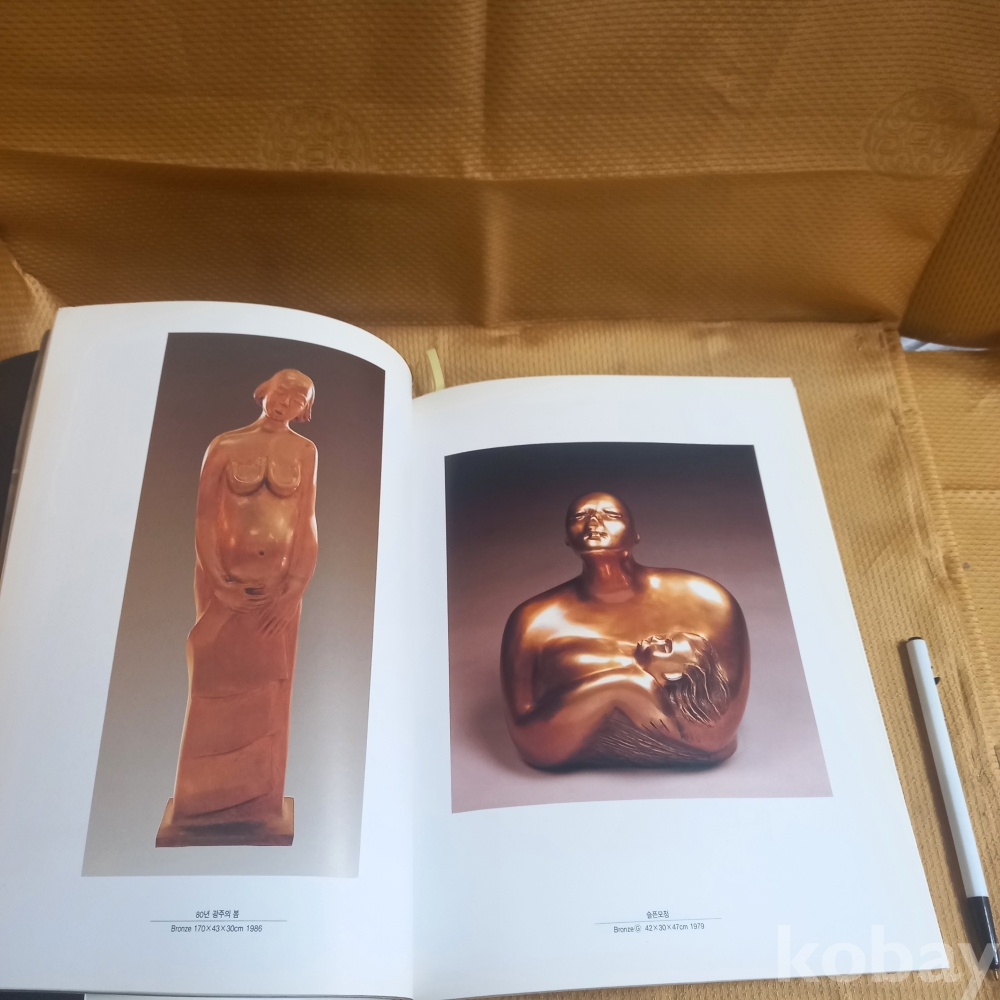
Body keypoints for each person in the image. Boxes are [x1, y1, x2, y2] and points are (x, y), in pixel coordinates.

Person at [157, 369, 318, 847]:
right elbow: (205, 519)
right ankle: (202, 802)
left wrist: (296, 587)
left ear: (305, 410)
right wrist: (219, 580)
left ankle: (257, 802)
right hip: (225, 586)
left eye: (298, 398)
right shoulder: (225, 446)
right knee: (214, 686)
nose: (285, 402)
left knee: (271, 692)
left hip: (278, 592)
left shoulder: (306, 452)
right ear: (264, 390)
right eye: (282, 390)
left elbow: (306, 520)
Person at [500, 492, 749, 770]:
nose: (594, 523)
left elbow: (719, 733)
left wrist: (599, 706)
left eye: (611, 515)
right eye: (579, 517)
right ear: (567, 539)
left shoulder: (706, 600)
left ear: (635, 536)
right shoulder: (532, 620)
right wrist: (624, 686)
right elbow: (530, 743)